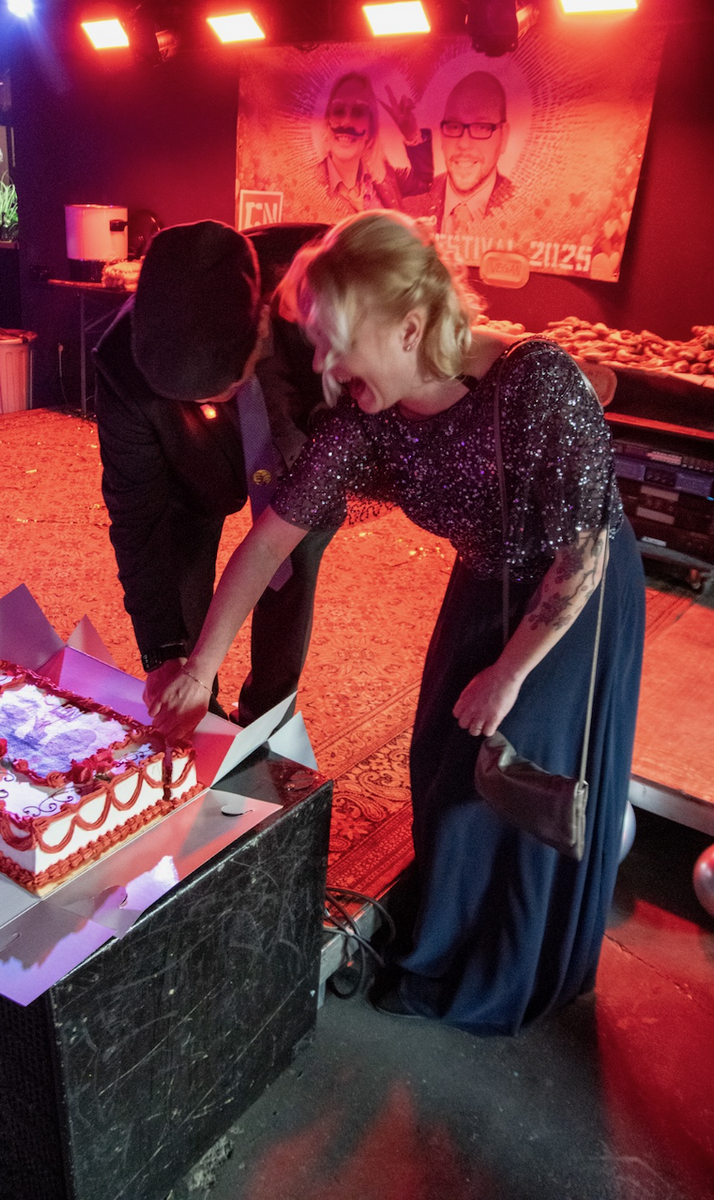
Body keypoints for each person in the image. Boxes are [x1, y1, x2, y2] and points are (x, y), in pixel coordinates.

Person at [149, 209, 645, 1036]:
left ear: (409, 328)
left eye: (336, 343)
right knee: (441, 766)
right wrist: (202, 665)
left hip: (575, 601)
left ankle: (506, 973)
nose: (323, 365)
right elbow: (269, 541)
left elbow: (582, 555)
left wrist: (509, 674)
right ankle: (442, 943)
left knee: (515, 782)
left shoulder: (537, 382)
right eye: (317, 344)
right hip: (486, 577)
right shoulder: (364, 422)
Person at [93, 219, 335, 727]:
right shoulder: (120, 363)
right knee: (180, 561)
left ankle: (267, 716)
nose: (209, 405)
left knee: (292, 560)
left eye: (224, 390)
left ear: (262, 325)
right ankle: (206, 720)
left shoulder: (323, 295)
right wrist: (164, 654)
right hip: (194, 465)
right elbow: (138, 519)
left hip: (299, 434)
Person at [316, 72, 433, 220]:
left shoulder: (385, 177)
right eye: (338, 111)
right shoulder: (309, 185)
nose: (346, 122)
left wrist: (411, 133)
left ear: (370, 128)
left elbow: (424, 182)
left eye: (358, 113)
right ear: (327, 121)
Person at [414, 70, 514, 234]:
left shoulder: (527, 209)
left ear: (504, 136)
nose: (464, 144)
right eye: (454, 126)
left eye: (481, 127)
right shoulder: (410, 206)